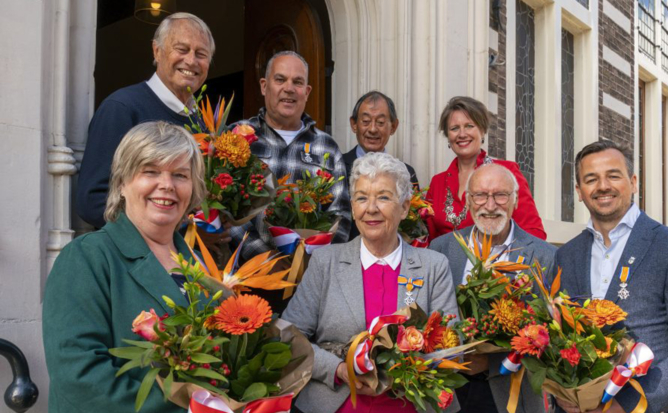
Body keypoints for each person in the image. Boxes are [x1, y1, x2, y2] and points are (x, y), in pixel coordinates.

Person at [43, 122, 205, 413]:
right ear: (121, 183)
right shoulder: (87, 257)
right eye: (150, 171)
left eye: (180, 175)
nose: (167, 185)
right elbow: (79, 372)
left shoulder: (199, 269)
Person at [282, 152, 459, 413]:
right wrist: (339, 370)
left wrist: (402, 371)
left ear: (403, 208)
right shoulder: (325, 262)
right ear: (352, 208)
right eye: (362, 198)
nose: (371, 208)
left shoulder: (432, 266)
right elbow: (290, 337)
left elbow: (452, 347)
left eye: (384, 197)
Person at [552, 140, 668, 413]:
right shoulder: (566, 256)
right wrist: (562, 393)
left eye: (613, 175)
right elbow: (556, 336)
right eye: (591, 179)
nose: (603, 186)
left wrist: (628, 409)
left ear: (633, 182)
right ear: (579, 192)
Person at [430, 163, 553, 413]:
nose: (490, 205)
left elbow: (550, 336)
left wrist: (492, 362)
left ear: (515, 200)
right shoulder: (440, 249)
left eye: (500, 195)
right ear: (468, 200)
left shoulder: (544, 256)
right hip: (445, 390)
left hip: (506, 394)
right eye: (480, 195)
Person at [76, 13, 214, 228]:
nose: (191, 60)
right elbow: (93, 202)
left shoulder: (203, 122)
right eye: (182, 49)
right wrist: (186, 230)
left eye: (201, 53)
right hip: (136, 258)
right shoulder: (122, 108)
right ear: (157, 51)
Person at [230, 50, 351, 259]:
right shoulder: (236, 138)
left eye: (297, 82)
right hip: (246, 272)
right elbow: (225, 210)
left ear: (307, 91)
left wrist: (310, 264)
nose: (289, 88)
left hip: (311, 276)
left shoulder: (327, 147)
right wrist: (267, 261)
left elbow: (341, 216)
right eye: (280, 79)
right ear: (264, 85)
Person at [426, 96, 545, 241]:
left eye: (469, 126)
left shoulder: (507, 172)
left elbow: (533, 232)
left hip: (497, 261)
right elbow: (431, 239)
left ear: (482, 130)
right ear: (448, 136)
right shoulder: (437, 183)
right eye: (454, 128)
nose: (462, 134)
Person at [344, 90, 419, 240]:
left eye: (380, 123)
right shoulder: (336, 167)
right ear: (354, 124)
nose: (372, 129)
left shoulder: (406, 173)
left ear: (393, 126)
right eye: (365, 122)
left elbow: (415, 227)